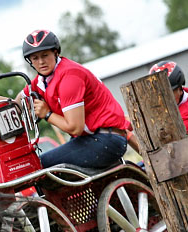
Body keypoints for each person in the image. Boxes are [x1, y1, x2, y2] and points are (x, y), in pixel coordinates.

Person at [18, 29, 141, 169]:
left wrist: (47, 114)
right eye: (35, 58)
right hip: (94, 138)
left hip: (104, 140)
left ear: (56, 52)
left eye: (45, 55)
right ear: (30, 61)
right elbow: (15, 102)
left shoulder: (69, 76)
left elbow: (75, 128)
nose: (41, 62)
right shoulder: (43, 80)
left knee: (38, 165)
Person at [148, 60, 188, 181]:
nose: (162, 98)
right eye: (159, 93)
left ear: (179, 88)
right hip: (173, 162)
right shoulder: (182, 97)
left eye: (167, 92)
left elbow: (162, 146)